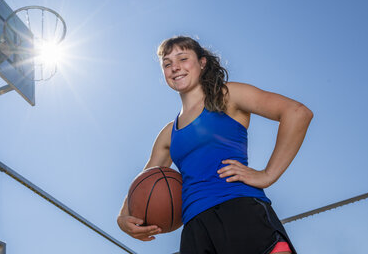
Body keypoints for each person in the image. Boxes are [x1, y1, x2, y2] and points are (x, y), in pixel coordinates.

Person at [117, 36, 313, 254]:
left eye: (183, 58)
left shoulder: (227, 96)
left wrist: (267, 174)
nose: (175, 68)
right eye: (167, 64)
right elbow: (143, 182)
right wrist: (123, 218)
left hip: (240, 212)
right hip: (195, 230)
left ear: (202, 63)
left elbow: (297, 113)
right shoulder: (168, 134)